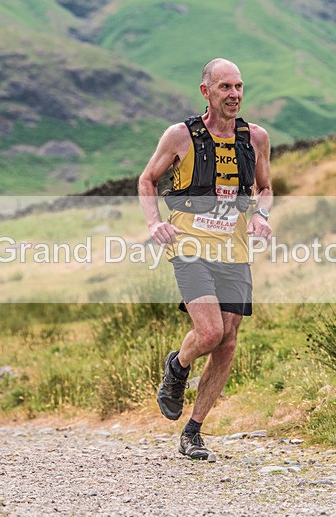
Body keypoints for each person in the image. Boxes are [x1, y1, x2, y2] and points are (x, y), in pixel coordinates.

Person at [137, 58, 272, 460]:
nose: (234, 95)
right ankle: (178, 366)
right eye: (225, 87)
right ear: (206, 92)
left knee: (228, 343)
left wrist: (262, 217)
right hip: (190, 245)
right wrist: (153, 224)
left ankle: (193, 431)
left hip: (234, 250)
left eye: (239, 87)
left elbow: (265, 188)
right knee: (210, 333)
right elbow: (147, 179)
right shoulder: (180, 136)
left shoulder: (257, 138)